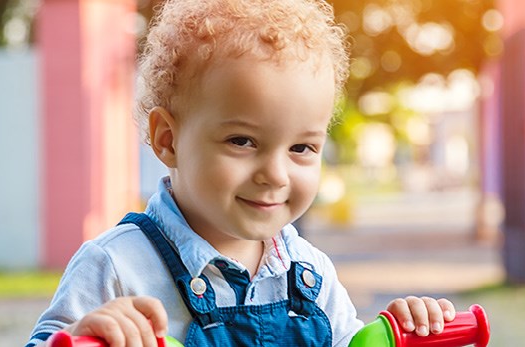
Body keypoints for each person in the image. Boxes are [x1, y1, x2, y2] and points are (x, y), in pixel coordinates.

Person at [27, 0, 456, 346]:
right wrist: (82, 337)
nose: (275, 174)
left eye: (302, 147)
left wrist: (396, 332)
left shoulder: (309, 271)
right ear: (167, 140)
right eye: (242, 141)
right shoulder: (116, 266)